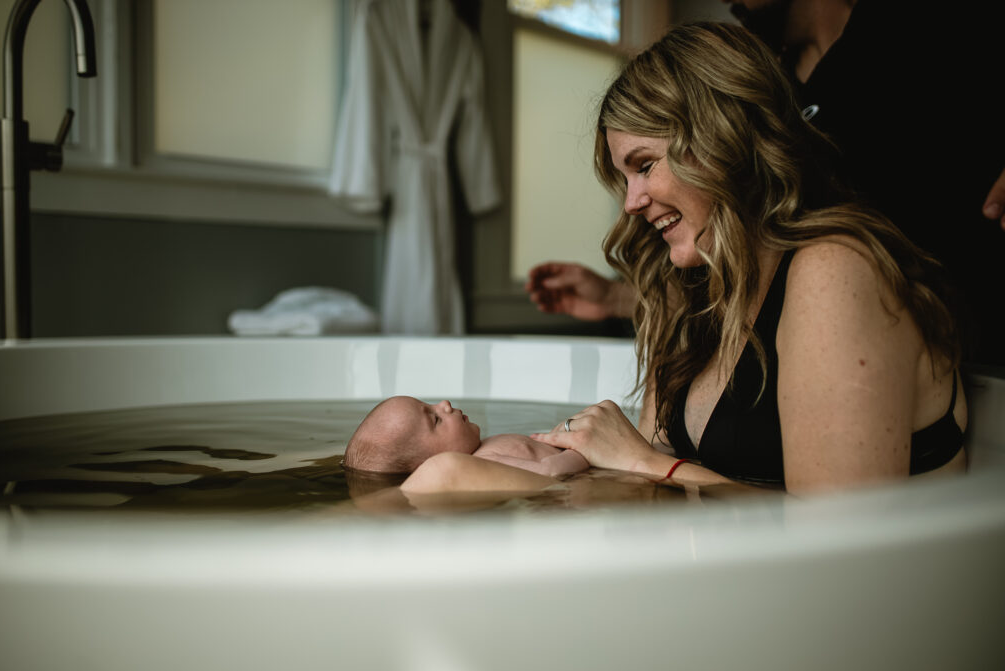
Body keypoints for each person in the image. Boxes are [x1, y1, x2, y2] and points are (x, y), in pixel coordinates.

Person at [527, 22, 967, 495]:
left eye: (645, 166)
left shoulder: (836, 272)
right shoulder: (695, 294)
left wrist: (641, 460)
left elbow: (840, 549)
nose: (632, 202)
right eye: (625, 178)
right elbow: (649, 492)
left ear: (724, 139)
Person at [528, 0, 1005, 366]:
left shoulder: (942, 27)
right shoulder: (774, 86)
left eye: (645, 166)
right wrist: (616, 298)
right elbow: (753, 276)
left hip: (965, 346)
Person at [343, 396, 590, 487]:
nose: (444, 405)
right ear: (429, 463)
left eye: (431, 405)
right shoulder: (486, 462)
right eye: (436, 420)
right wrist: (582, 448)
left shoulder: (486, 448)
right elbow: (550, 472)